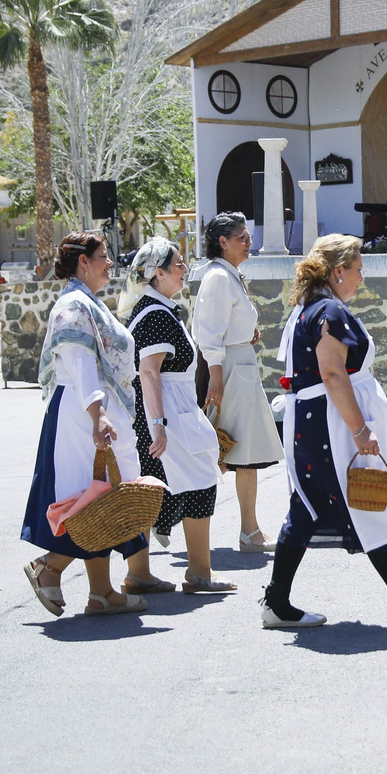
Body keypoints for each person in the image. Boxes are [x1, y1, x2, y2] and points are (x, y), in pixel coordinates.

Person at [263, 235, 387, 628]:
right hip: (329, 424)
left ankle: (280, 603)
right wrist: (359, 430)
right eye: (357, 270)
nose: (361, 278)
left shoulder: (313, 307)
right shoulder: (328, 311)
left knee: (337, 503)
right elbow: (333, 373)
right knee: (361, 498)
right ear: (338, 271)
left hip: (319, 420)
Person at [19, 231, 152, 617]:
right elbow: (80, 365)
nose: (110, 263)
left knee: (101, 496)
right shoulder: (75, 306)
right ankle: (51, 567)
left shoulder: (85, 302)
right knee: (90, 496)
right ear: (84, 262)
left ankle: (100, 592)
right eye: (104, 256)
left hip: (89, 410)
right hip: (82, 413)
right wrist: (99, 414)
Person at [117, 238, 231, 596]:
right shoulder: (155, 315)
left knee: (150, 490)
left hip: (169, 411)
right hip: (167, 414)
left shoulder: (158, 310)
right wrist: (158, 426)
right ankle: (198, 572)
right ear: (158, 274)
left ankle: (142, 573)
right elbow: (149, 372)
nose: (184, 268)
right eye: (178, 264)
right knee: (198, 482)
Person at [194, 212, 284, 553]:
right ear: (223, 242)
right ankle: (248, 531)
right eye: (242, 237)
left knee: (246, 450)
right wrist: (216, 378)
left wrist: (247, 333)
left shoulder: (228, 276)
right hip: (230, 369)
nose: (249, 243)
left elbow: (227, 325)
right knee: (236, 449)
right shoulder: (218, 277)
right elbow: (209, 331)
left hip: (239, 363)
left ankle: (251, 530)